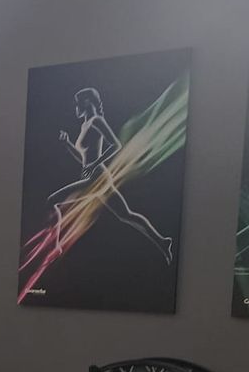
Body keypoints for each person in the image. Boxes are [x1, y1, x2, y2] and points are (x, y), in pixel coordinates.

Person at [50, 87, 174, 264]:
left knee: (52, 201)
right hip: (96, 178)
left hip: (96, 178)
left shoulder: (96, 121)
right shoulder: (85, 125)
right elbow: (84, 159)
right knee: (126, 214)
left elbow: (115, 145)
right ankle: (163, 241)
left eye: (77, 103)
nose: (76, 108)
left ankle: (56, 248)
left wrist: (94, 164)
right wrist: (68, 144)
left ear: (87, 102)